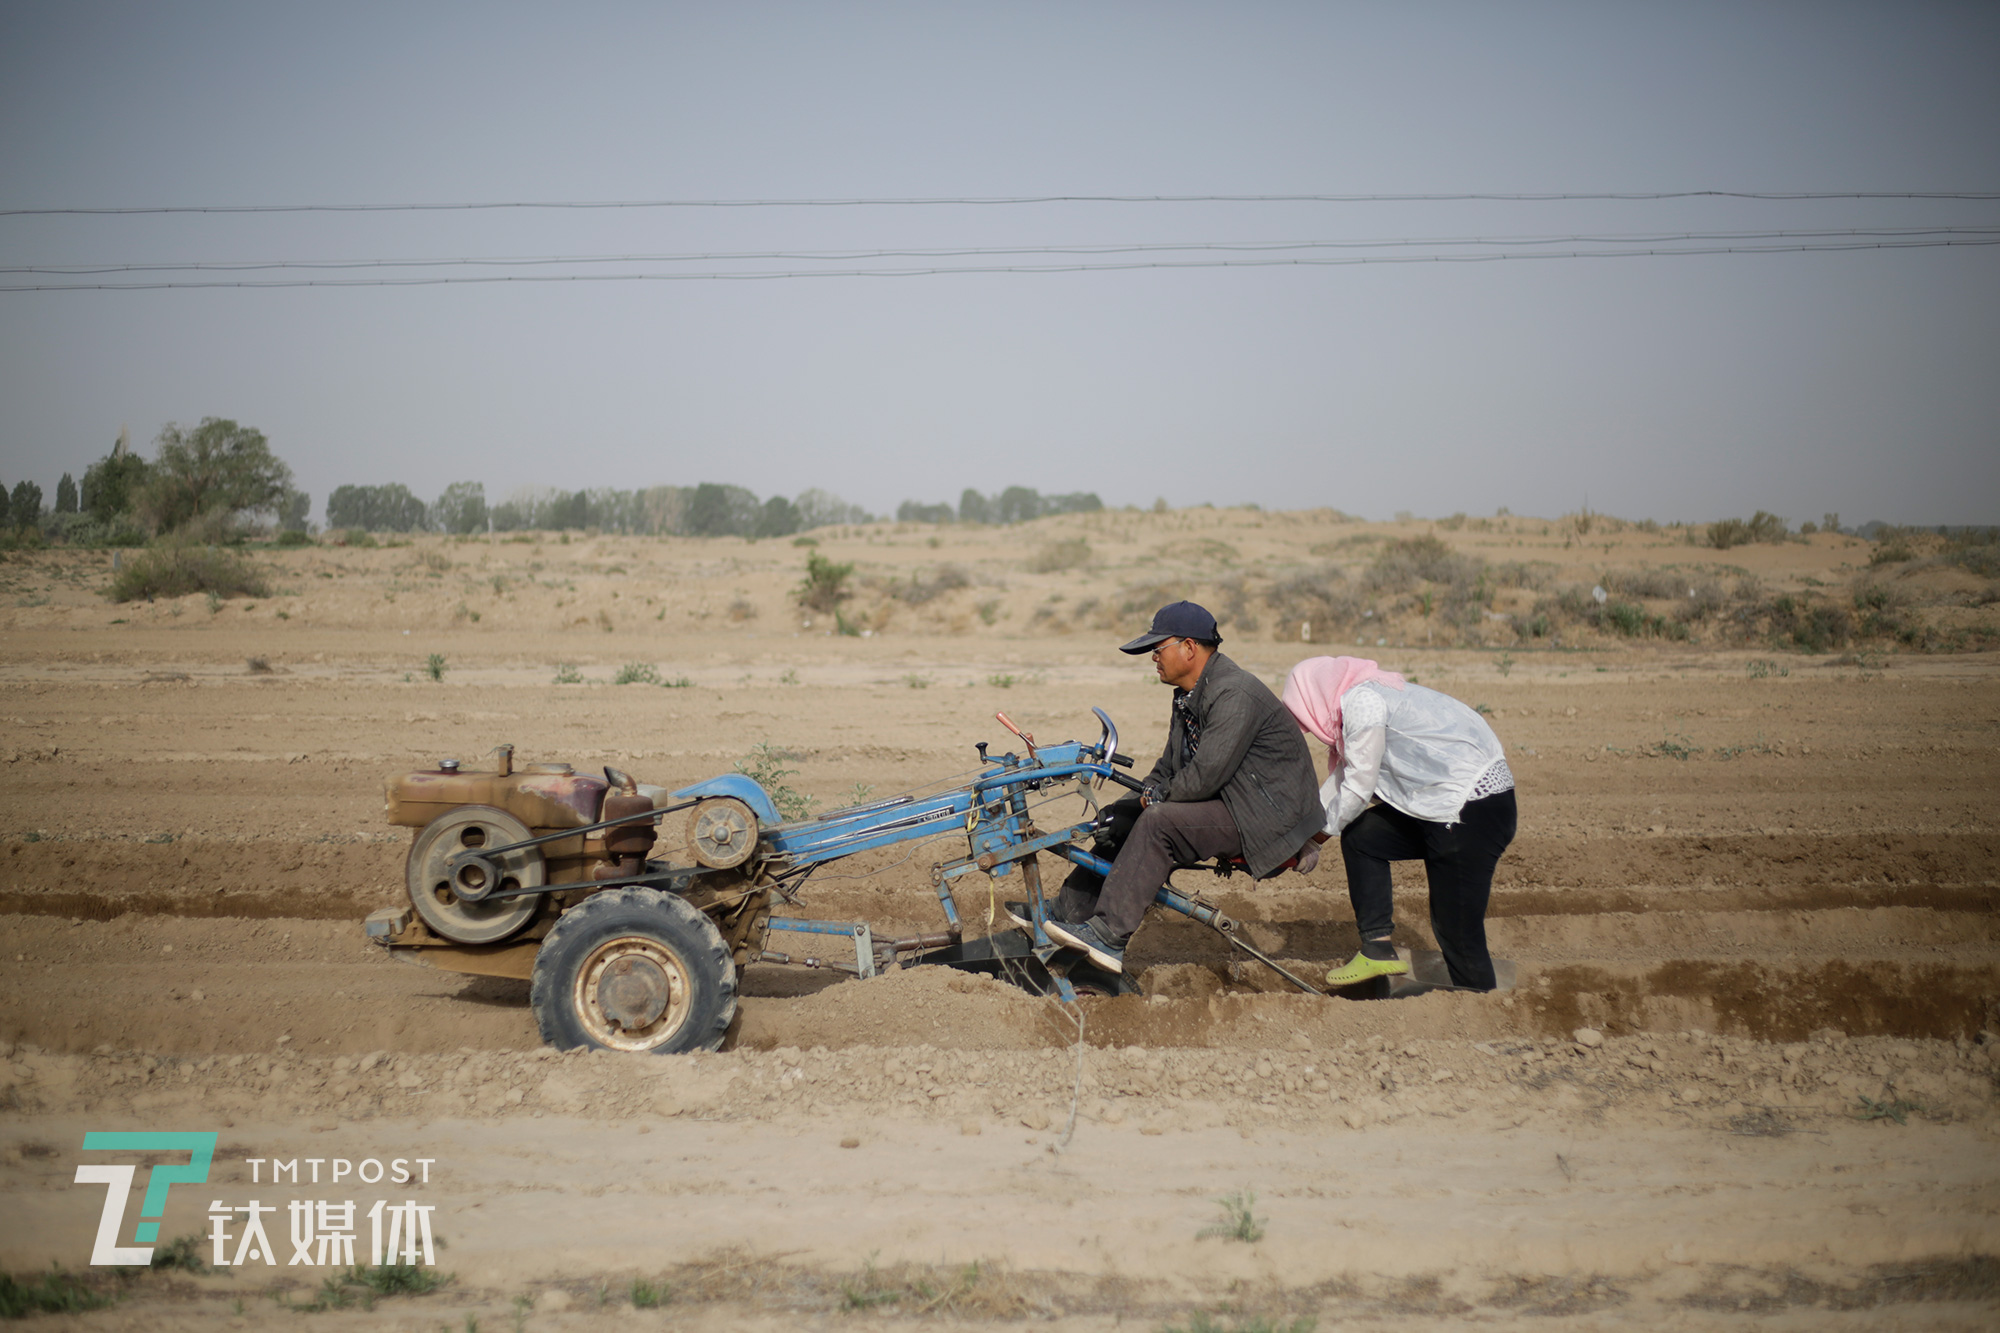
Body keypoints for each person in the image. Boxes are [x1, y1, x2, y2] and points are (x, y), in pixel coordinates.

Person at [1022, 601, 1324, 973]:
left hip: (1265, 816)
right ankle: (1066, 911)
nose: (1153, 657)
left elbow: (1207, 773)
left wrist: (1160, 797)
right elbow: (1170, 764)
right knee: (1122, 814)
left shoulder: (1234, 693)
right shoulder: (1188, 694)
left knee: (1159, 822)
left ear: (1189, 648)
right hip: (1233, 798)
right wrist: (1148, 791)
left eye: (1158, 648)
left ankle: (1108, 936)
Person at [1280, 655, 1516, 991]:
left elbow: (1359, 788)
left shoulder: (1363, 702)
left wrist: (1313, 839)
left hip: (1471, 809)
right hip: (1442, 807)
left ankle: (1480, 1009)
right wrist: (1303, 837)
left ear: (1314, 696)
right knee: (1365, 836)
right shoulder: (1364, 698)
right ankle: (1377, 948)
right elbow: (1344, 780)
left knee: (1456, 928)